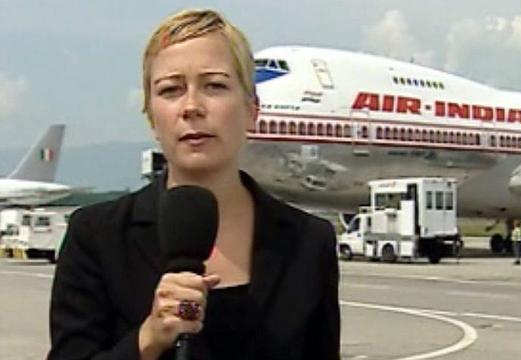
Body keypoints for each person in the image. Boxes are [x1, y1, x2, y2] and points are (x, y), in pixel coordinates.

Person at [48, 9, 340, 360]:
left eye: (214, 86)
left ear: (252, 109)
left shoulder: (309, 242)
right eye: (170, 90)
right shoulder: (96, 236)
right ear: (152, 118)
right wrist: (148, 339)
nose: (191, 107)